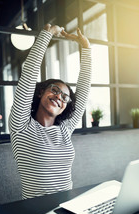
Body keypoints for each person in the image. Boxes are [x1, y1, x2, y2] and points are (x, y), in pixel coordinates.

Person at [9, 23, 92, 199]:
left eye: (64, 97)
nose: (59, 97)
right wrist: (47, 33)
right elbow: (28, 77)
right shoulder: (21, 126)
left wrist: (86, 48)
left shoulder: (64, 129)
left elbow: (83, 92)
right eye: (54, 90)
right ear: (41, 92)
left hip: (67, 207)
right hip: (34, 212)